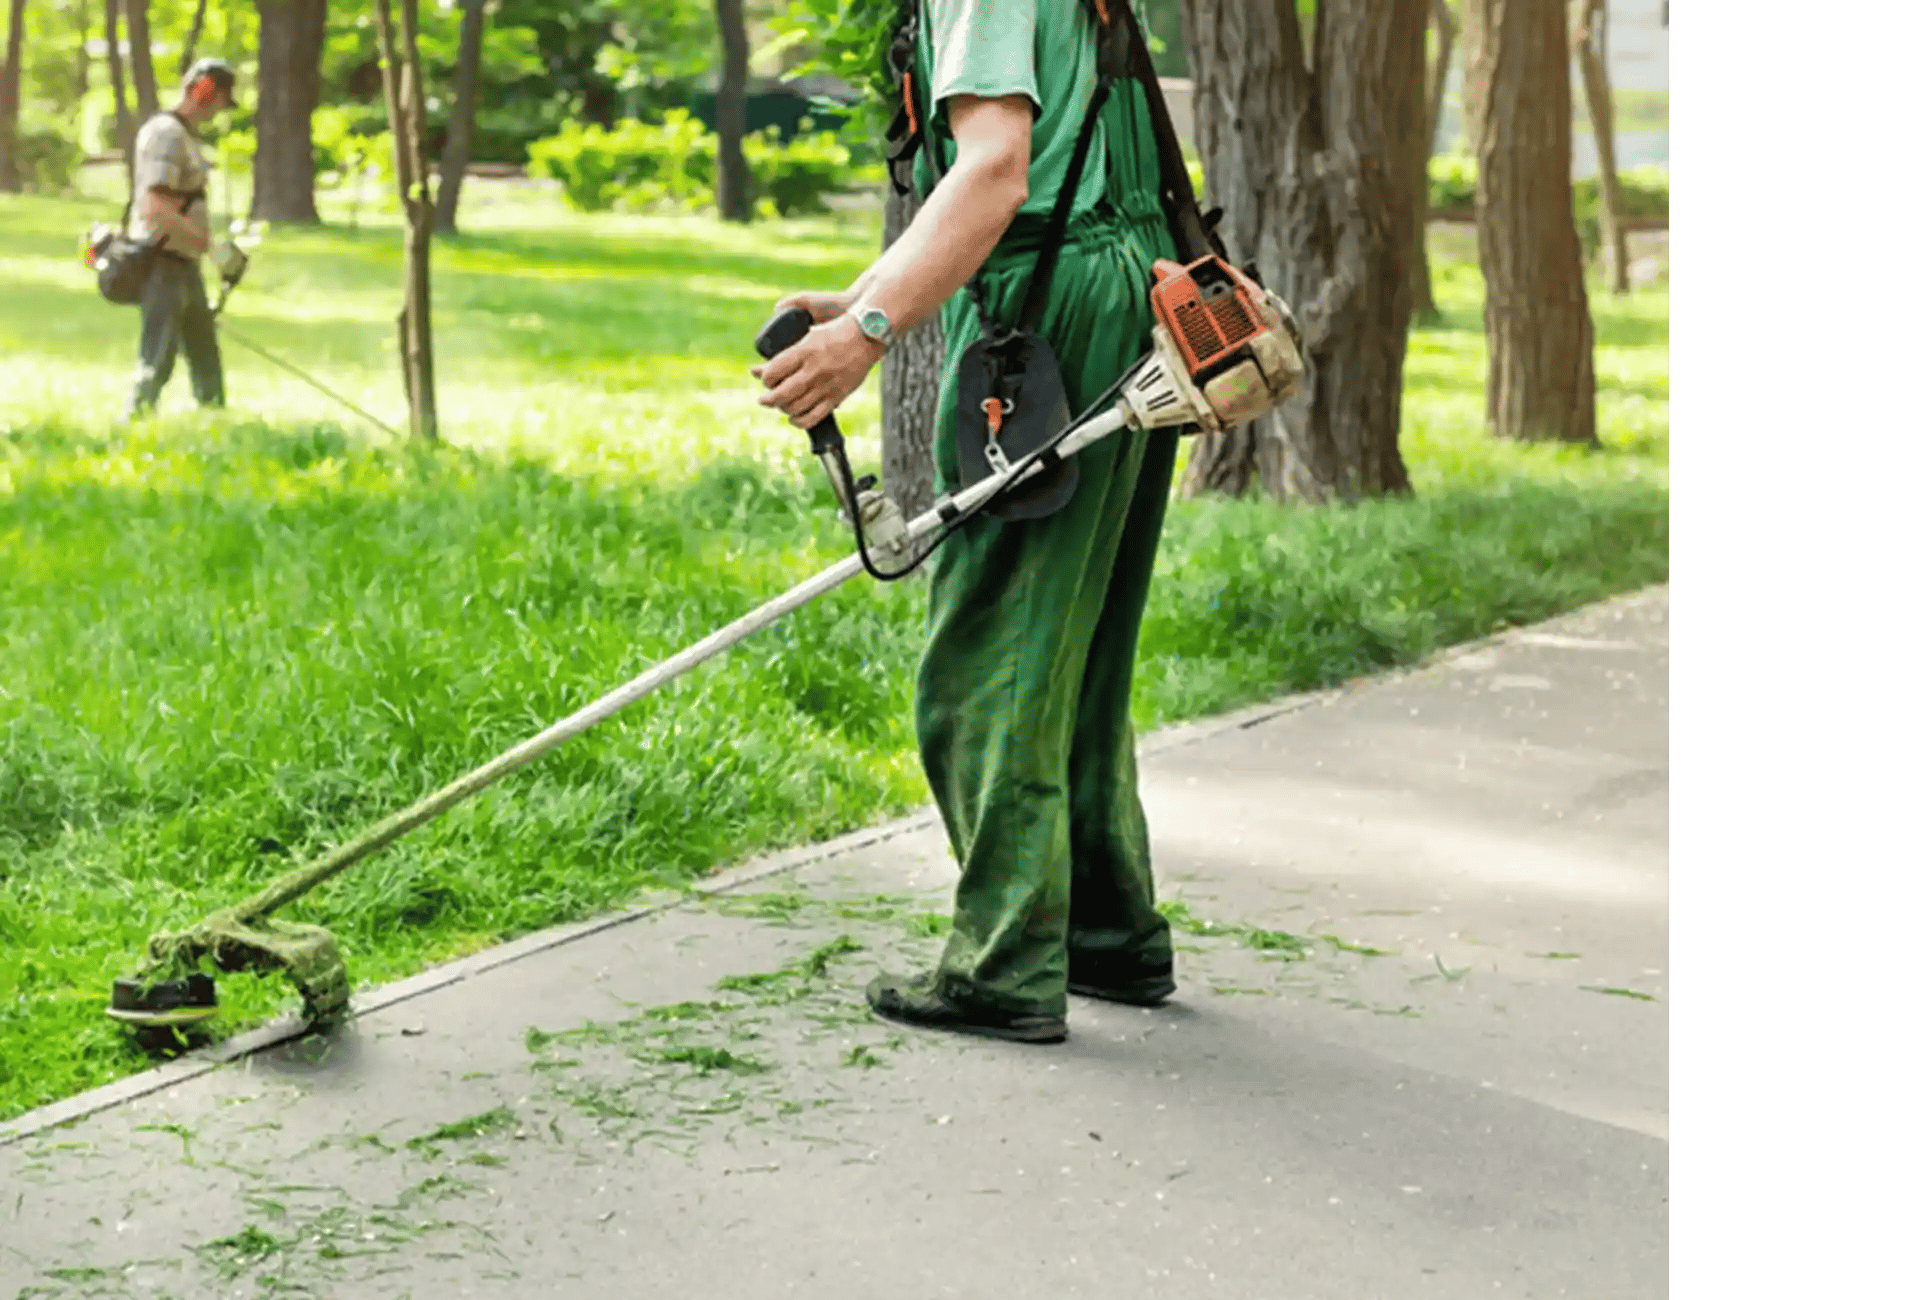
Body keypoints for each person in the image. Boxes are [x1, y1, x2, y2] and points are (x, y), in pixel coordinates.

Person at [753, 0, 1185, 1044]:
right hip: (1132, 292)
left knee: (989, 659)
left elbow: (996, 171)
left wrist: (867, 333)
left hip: (1048, 316)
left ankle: (1005, 963)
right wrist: (871, 288)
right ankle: (1105, 932)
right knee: (1076, 643)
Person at [126, 57, 245, 417]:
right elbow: (154, 207)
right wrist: (209, 245)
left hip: (184, 262)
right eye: (221, 97)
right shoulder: (166, 134)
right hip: (162, 260)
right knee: (158, 353)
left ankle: (215, 419)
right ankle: (135, 419)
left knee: (203, 348)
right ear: (205, 90)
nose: (221, 108)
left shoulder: (184, 137)